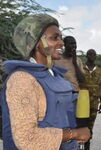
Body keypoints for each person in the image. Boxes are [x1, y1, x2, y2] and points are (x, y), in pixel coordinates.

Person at [0, 14, 90, 150]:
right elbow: (27, 139)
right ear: (36, 43)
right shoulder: (22, 80)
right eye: (54, 38)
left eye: (60, 37)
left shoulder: (55, 75)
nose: (61, 42)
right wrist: (74, 134)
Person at [79, 49, 101, 150]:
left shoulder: (99, 70)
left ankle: (87, 146)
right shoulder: (81, 68)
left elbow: (100, 86)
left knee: (90, 124)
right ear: (86, 55)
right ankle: (80, 143)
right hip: (82, 102)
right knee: (81, 123)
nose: (92, 56)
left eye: (94, 54)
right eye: (90, 54)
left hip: (94, 102)